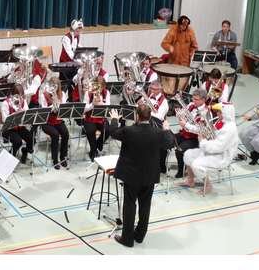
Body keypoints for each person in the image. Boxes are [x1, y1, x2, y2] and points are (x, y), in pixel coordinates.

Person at [108, 105, 174, 247]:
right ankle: (139, 235)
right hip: (149, 175)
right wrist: (167, 129)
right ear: (150, 117)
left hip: (131, 175)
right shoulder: (158, 132)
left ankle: (127, 239)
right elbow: (170, 143)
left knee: (129, 205)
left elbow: (112, 132)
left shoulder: (129, 131)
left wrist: (114, 119)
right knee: (145, 205)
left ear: (137, 116)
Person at [182, 102, 239, 194]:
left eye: (220, 112)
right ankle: (190, 180)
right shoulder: (220, 122)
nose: (217, 114)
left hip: (222, 156)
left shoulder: (229, 129)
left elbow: (218, 147)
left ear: (226, 113)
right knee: (188, 154)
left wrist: (203, 141)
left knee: (196, 164)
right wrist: (187, 126)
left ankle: (208, 185)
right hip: (212, 151)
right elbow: (207, 132)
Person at [39, 77, 70, 169]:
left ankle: (63, 157)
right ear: (49, 85)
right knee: (55, 135)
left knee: (65, 133)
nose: (54, 88)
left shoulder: (62, 94)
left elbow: (63, 108)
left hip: (58, 120)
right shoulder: (43, 95)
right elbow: (44, 110)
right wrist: (53, 103)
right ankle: (55, 160)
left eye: (56, 86)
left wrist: (57, 100)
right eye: (52, 85)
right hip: (46, 121)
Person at [173, 89, 205, 178]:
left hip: (195, 139)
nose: (193, 101)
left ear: (203, 100)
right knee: (165, 140)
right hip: (184, 133)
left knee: (179, 151)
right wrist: (179, 115)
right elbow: (182, 114)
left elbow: (200, 130)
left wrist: (186, 124)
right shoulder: (191, 105)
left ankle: (181, 171)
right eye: (193, 98)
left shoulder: (205, 112)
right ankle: (161, 167)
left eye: (196, 99)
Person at [0, 85, 34, 164]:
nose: (20, 97)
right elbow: (4, 119)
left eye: (21, 95)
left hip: (19, 127)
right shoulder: (5, 103)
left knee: (30, 138)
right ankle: (12, 156)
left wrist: (22, 111)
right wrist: (15, 114)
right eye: (18, 95)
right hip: (8, 129)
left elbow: (27, 113)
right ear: (12, 94)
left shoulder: (23, 101)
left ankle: (25, 151)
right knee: (18, 141)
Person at [82, 76, 111, 161]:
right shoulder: (88, 93)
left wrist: (101, 103)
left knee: (108, 130)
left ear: (104, 86)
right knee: (90, 130)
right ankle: (93, 151)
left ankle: (97, 145)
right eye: (97, 86)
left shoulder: (106, 92)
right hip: (89, 118)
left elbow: (108, 106)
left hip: (101, 118)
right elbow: (84, 109)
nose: (99, 89)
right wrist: (92, 105)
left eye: (101, 87)